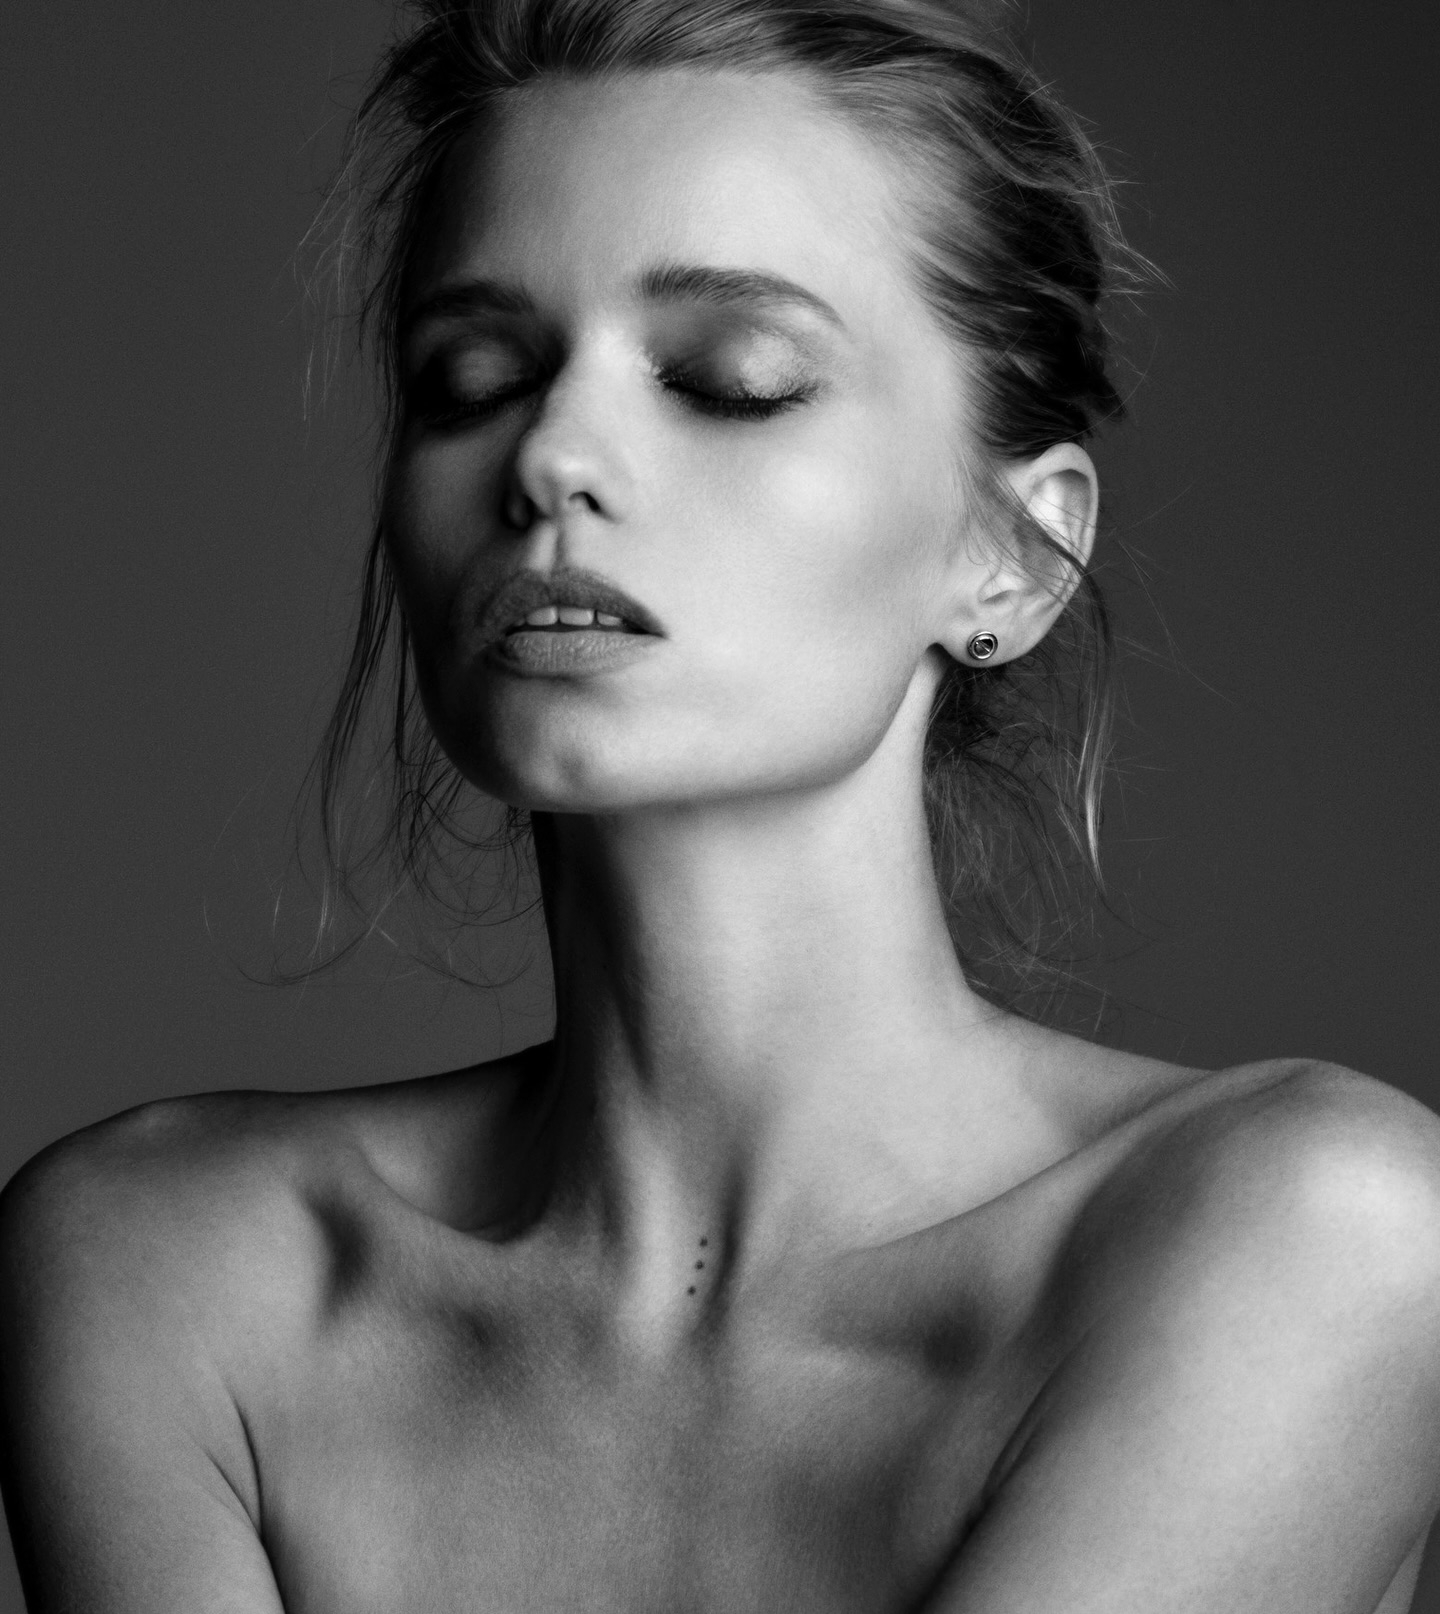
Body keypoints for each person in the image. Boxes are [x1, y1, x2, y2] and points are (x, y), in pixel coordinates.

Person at [3, 1, 1439, 1609]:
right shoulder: (167, 1275)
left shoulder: (1310, 1234)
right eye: (472, 377)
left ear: (1013, 556)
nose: (552, 454)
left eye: (732, 380)